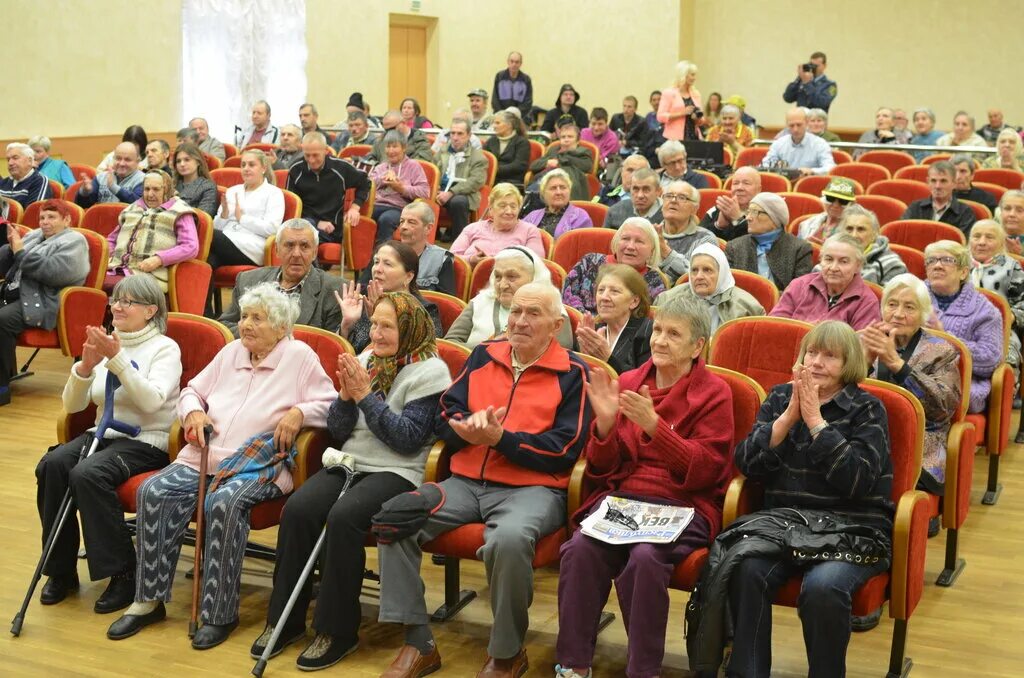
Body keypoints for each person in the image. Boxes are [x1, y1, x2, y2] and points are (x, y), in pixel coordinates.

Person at [376, 281, 591, 678]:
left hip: (534, 488)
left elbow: (566, 448)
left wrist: (501, 439)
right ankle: (418, 641)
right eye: (515, 312)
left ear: (557, 324)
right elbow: (447, 412)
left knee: (508, 540)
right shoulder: (482, 355)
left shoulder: (575, 372)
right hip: (466, 481)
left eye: (533, 314)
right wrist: (463, 430)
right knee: (395, 518)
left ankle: (507, 653)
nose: (520, 321)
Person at [106, 284, 337, 648]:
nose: (245, 325)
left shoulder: (299, 357)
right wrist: (194, 412)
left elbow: (331, 405)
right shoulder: (232, 352)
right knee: (155, 490)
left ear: (280, 327)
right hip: (205, 455)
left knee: (223, 504)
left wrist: (299, 412)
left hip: (258, 464)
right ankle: (148, 600)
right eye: (244, 316)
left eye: (256, 319)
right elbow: (190, 391)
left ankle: (218, 613)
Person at [253, 291, 449, 670]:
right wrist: (344, 400)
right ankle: (284, 620)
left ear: (409, 328)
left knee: (344, 519)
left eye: (387, 326)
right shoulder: (366, 360)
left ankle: (336, 630)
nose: (376, 333)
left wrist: (364, 396)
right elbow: (340, 431)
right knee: (298, 509)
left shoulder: (431, 371)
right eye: (373, 323)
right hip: (350, 462)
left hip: (398, 471)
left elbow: (407, 440)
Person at [556, 294, 732, 678]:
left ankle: (642, 670)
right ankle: (573, 664)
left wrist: (656, 428)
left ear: (697, 346)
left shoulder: (714, 392)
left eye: (673, 334)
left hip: (685, 504)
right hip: (624, 498)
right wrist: (603, 427)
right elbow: (603, 468)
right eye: (657, 330)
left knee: (645, 559)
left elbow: (708, 471)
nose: (659, 341)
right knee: (580, 549)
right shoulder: (631, 381)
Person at [726, 321, 892, 678]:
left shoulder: (868, 409)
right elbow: (747, 465)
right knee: (744, 568)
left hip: (851, 527)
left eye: (830, 356)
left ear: (849, 364)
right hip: (784, 526)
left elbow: (858, 482)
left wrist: (816, 422)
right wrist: (786, 420)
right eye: (811, 353)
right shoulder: (778, 399)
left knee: (823, 587)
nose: (816, 362)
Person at [35, 276, 180, 610]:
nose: (116, 306)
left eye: (127, 301)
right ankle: (61, 571)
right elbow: (72, 407)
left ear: (150, 310)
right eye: (115, 299)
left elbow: (151, 402)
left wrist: (116, 359)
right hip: (102, 433)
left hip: (146, 441)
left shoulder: (165, 348)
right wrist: (85, 367)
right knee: (53, 465)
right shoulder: (108, 343)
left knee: (87, 473)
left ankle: (124, 574)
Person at [862, 274, 960, 495]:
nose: (898, 314)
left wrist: (897, 365)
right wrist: (865, 362)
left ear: (924, 314)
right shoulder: (863, 340)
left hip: (920, 441)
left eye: (909, 307)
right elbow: (838, 394)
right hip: (863, 434)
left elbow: (943, 407)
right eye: (892, 304)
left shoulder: (942, 351)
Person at [0, 200, 90, 406]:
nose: (45, 222)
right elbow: (8, 265)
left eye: (51, 217)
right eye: (42, 217)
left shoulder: (75, 241)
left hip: (43, 300)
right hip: (16, 292)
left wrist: (20, 252)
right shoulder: (33, 236)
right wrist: (9, 247)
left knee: (2, 320)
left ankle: (2, 387)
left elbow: (54, 273)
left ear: (67, 220)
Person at [220, 220, 341, 336]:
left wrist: (272, 336)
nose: (296, 254)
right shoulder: (248, 280)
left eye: (304, 246)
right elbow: (225, 327)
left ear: (314, 252)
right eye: (289, 245)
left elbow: (331, 345)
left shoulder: (334, 291)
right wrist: (263, 335)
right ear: (277, 250)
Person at [923, 240, 1002, 413]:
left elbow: (991, 360)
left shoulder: (986, 311)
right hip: (910, 372)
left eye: (946, 260)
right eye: (931, 261)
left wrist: (945, 337)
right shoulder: (911, 295)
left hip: (963, 382)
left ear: (963, 272)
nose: (937, 266)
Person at [446, 245, 572, 349]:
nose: (502, 285)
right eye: (498, 277)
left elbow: (560, 352)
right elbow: (450, 345)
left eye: (512, 277)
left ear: (534, 278)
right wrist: (487, 349)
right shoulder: (480, 302)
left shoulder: (553, 309)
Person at [338, 241, 442, 353]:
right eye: (376, 262)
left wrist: (377, 317)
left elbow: (414, 355)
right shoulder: (364, 301)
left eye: (387, 264)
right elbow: (339, 353)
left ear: (408, 276)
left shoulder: (424, 310)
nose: (378, 269)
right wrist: (346, 325)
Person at [106, 170, 199, 293]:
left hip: (151, 276)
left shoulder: (180, 211)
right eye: (146, 189)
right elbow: (112, 239)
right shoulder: (132, 208)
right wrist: (109, 255)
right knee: (89, 281)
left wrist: (159, 259)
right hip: (116, 269)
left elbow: (190, 247)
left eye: (156, 189)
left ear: (167, 190)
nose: (150, 194)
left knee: (123, 289)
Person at [770, 234, 882, 329]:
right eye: (828, 259)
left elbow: (860, 349)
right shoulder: (799, 286)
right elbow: (774, 326)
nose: (833, 268)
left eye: (843, 261)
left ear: (858, 266)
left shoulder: (867, 302)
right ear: (820, 260)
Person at [563, 217, 669, 313]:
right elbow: (568, 296)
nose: (630, 246)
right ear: (616, 242)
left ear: (652, 250)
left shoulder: (654, 280)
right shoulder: (590, 262)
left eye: (639, 241)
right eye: (625, 239)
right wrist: (587, 321)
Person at [658, 242, 765, 332]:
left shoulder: (746, 307)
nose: (699, 276)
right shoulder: (668, 299)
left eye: (707, 270)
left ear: (721, 273)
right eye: (694, 270)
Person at [287, 132, 370, 244]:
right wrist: (316, 223)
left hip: (332, 227)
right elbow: (292, 205)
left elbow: (365, 183)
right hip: (304, 222)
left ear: (326, 151)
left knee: (303, 238)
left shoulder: (340, 168)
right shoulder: (295, 169)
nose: (311, 160)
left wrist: (355, 207)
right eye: (307, 155)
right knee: (298, 234)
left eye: (316, 155)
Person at [358, 201, 455, 296]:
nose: (403, 227)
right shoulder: (384, 252)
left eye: (411, 222)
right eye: (401, 221)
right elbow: (361, 289)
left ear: (428, 228)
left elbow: (446, 303)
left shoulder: (441, 259)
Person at [209, 149, 284, 270]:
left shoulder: (274, 193)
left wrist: (242, 219)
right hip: (225, 240)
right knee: (207, 262)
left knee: (205, 233)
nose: (246, 168)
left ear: (263, 168)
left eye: (251, 165)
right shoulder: (232, 190)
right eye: (243, 165)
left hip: (252, 247)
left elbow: (272, 229)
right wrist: (224, 215)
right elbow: (217, 227)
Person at [574, 263, 656, 373]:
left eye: (614, 291)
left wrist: (608, 358)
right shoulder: (590, 332)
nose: (604, 297)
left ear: (634, 301)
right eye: (601, 290)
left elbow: (643, 382)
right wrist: (583, 359)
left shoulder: (647, 332)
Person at [726, 192, 813, 291]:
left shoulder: (800, 249)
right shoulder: (735, 247)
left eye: (755, 212)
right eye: (748, 211)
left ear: (774, 218)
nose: (748, 218)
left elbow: (800, 292)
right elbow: (726, 288)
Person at [968, 220, 1024, 374]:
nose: (982, 242)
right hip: (957, 328)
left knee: (1004, 365)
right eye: (976, 236)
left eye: (990, 237)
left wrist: (1010, 316)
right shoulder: (957, 264)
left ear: (1001, 243)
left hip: (1001, 331)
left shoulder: (1012, 267)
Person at [450, 183, 545, 265]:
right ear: (491, 209)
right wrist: (470, 260)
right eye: (502, 206)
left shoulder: (530, 231)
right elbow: (450, 258)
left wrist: (495, 262)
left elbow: (536, 262)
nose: (509, 211)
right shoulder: (472, 228)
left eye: (513, 206)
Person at [369, 130, 430, 245]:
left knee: (386, 219)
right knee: (363, 218)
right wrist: (383, 179)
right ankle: (359, 259)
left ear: (404, 148)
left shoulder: (413, 166)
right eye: (388, 147)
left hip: (400, 208)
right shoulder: (381, 167)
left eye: (395, 146)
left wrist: (401, 188)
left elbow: (424, 191)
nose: (391, 151)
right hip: (377, 204)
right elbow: (369, 185)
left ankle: (383, 256)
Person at [431, 120, 487, 243]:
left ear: (468, 135)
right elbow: (433, 171)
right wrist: (435, 189)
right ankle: (430, 239)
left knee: (458, 202)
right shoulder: (442, 151)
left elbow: (475, 181)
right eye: (453, 133)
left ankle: (459, 243)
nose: (455, 138)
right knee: (420, 198)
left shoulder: (478, 157)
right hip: (440, 191)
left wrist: (451, 192)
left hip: (464, 194)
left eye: (460, 134)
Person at [656, 179, 717, 279]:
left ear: (694, 209)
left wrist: (666, 252)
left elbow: (699, 276)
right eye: (669, 196)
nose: (673, 200)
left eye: (682, 197)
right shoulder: (649, 232)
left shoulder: (705, 239)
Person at [902, 161, 977, 236]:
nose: (938, 186)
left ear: (954, 183)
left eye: (943, 181)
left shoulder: (965, 213)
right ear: (928, 182)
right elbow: (902, 235)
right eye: (933, 181)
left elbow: (961, 244)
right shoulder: (915, 207)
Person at [839, 204, 907, 285]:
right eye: (849, 229)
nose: (854, 235)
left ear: (875, 234)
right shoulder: (832, 256)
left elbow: (890, 297)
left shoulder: (892, 265)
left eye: (861, 229)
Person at [528, 124, 594, 202]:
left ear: (578, 140)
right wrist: (547, 162)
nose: (566, 139)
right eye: (563, 137)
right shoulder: (553, 150)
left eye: (570, 137)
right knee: (531, 195)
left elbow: (587, 166)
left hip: (566, 185)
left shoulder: (583, 152)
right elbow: (533, 166)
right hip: (543, 181)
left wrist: (562, 159)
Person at [763, 108, 835, 176]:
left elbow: (830, 168)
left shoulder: (820, 144)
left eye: (799, 125)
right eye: (791, 125)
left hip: (809, 184)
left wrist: (812, 171)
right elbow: (765, 164)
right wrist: (774, 166)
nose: (795, 129)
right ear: (787, 125)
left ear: (807, 123)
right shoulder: (779, 143)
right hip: (784, 184)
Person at [522, 169, 592, 238]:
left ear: (569, 191)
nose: (559, 192)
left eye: (563, 187)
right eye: (553, 188)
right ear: (543, 193)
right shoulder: (533, 216)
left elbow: (582, 245)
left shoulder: (580, 217)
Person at [74, 141, 145, 208]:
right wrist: (85, 192)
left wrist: (113, 187)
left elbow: (138, 203)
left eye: (127, 160)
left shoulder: (143, 180)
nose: (121, 163)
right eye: (118, 158)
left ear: (137, 161)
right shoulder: (101, 178)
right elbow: (82, 205)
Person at [700, 165, 761, 240]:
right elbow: (698, 239)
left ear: (758, 189)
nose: (739, 188)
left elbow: (759, 244)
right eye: (735, 183)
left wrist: (738, 220)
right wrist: (718, 226)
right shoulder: (718, 210)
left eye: (746, 183)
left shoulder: (765, 214)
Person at [797, 176, 857, 244]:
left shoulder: (855, 230)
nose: (835, 205)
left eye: (843, 201)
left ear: (851, 204)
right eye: (830, 198)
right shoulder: (806, 224)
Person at [483, 109, 531, 190]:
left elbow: (519, 165)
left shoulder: (522, 142)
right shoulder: (491, 141)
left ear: (509, 125)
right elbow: (483, 159)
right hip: (491, 178)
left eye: (498, 123)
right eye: (494, 123)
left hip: (512, 181)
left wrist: (495, 169)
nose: (494, 126)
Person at [657, 61, 704, 141]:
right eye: (692, 75)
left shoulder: (696, 94)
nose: (694, 78)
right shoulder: (669, 93)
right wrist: (682, 113)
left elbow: (701, 120)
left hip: (694, 137)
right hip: (674, 139)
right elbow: (660, 117)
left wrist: (696, 118)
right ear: (683, 75)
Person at [172, 143, 218, 216]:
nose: (182, 164)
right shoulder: (172, 185)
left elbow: (203, 218)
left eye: (187, 160)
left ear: (198, 162)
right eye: (178, 161)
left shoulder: (208, 187)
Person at [1, 142, 51, 208]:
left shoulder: (39, 181)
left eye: (15, 158)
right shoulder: (3, 182)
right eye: (8, 159)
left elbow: (33, 213)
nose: (10, 163)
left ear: (29, 161)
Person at [492, 51, 534, 123]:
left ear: (520, 64)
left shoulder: (526, 80)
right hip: (500, 118)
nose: (514, 64)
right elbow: (495, 100)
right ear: (508, 62)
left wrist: (514, 116)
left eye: (517, 62)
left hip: (520, 119)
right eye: (512, 61)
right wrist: (503, 116)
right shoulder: (499, 76)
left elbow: (528, 102)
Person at [997, 190, 1024, 254]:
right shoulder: (987, 234)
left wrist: (1020, 256)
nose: (1012, 214)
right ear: (1000, 212)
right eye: (1007, 209)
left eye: (1019, 210)